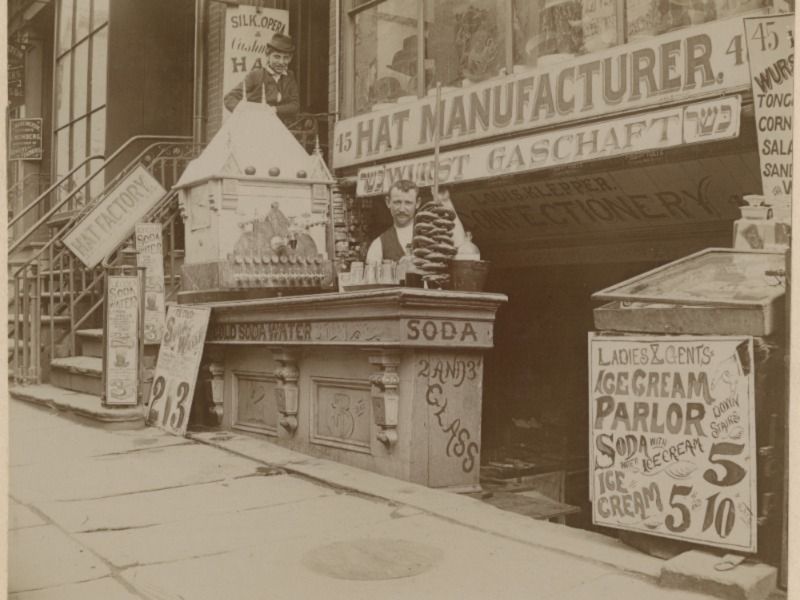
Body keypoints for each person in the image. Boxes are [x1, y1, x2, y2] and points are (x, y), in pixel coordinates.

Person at [365, 180, 466, 263]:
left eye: (408, 203)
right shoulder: (378, 244)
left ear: (417, 203)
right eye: (397, 202)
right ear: (388, 202)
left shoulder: (431, 231)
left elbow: (461, 245)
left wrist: (445, 201)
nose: (402, 209)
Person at [223, 32, 299, 123]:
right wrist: (247, 113)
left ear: (290, 58)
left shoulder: (289, 77)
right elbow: (229, 98)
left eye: (285, 58)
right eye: (276, 57)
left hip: (280, 127)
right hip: (256, 125)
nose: (281, 62)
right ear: (268, 55)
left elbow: (295, 105)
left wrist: (274, 109)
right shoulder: (256, 76)